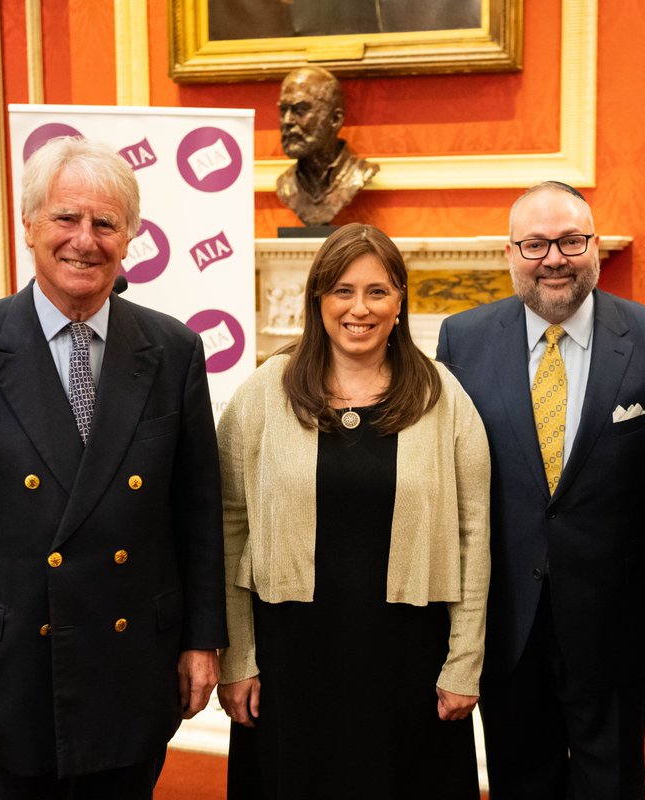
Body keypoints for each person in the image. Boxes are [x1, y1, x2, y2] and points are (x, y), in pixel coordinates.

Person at [0, 136, 227, 799]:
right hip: (11, 662)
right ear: (28, 226)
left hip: (131, 662)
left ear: (129, 238)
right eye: (66, 218)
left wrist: (203, 639)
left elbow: (198, 514)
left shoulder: (174, 349)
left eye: (106, 223)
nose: (85, 240)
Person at [216, 222, 490, 799]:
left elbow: (474, 532)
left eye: (377, 291)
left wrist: (464, 662)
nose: (359, 308)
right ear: (318, 299)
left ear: (400, 302)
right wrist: (237, 658)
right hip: (290, 657)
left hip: (409, 658)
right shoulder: (264, 392)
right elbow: (228, 524)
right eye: (342, 290)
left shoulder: (442, 396)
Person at [436, 181, 645, 799]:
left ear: (594, 246)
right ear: (510, 252)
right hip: (506, 620)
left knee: (611, 783)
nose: (554, 258)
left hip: (618, 622)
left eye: (571, 241)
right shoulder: (462, 339)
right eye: (535, 244)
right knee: (520, 780)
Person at [275, 66, 378, 227]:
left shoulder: (359, 174)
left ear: (335, 120)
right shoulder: (286, 185)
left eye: (300, 111)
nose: (287, 121)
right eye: (283, 111)